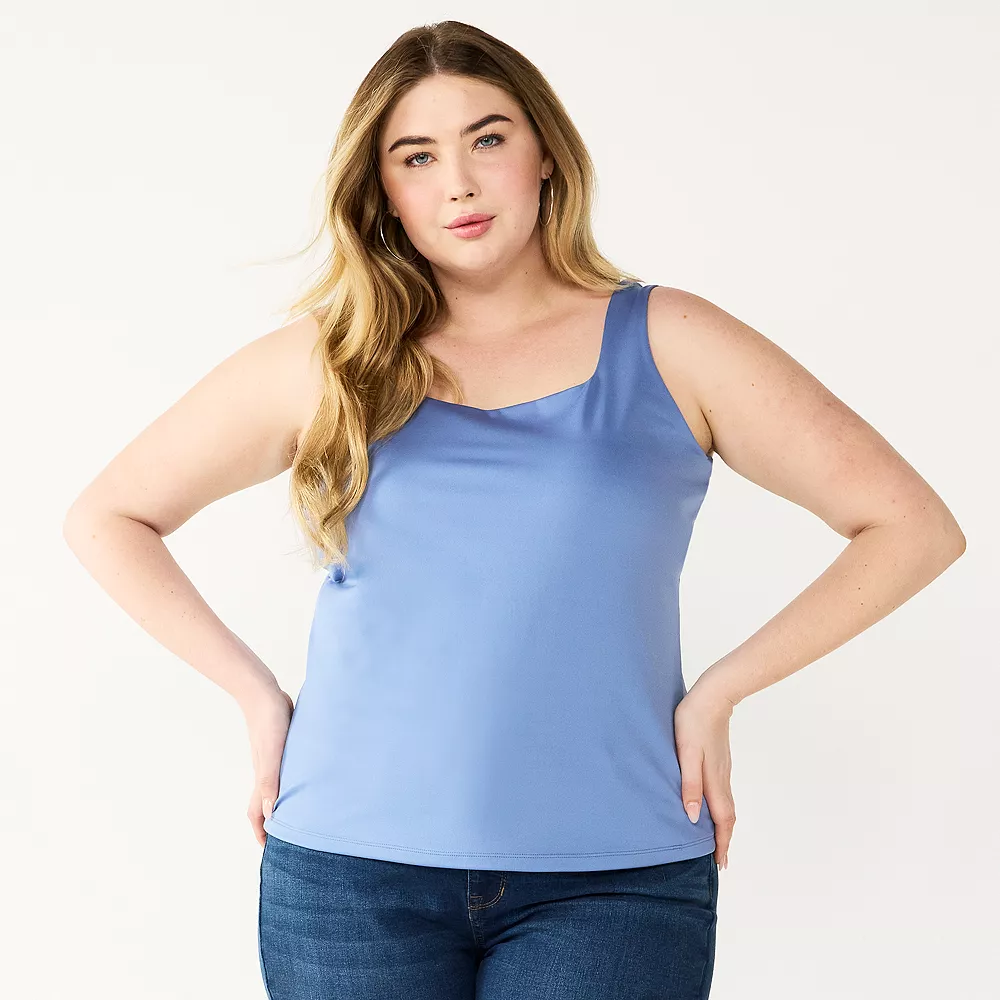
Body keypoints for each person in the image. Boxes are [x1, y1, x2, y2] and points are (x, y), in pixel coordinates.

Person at [62, 19, 966, 1000]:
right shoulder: (331, 360)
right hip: (347, 871)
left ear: (545, 155)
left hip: (616, 875)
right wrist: (255, 695)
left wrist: (720, 691)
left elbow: (910, 526)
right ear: (384, 190)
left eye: (487, 139)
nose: (458, 183)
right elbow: (111, 516)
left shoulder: (673, 340)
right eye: (417, 156)